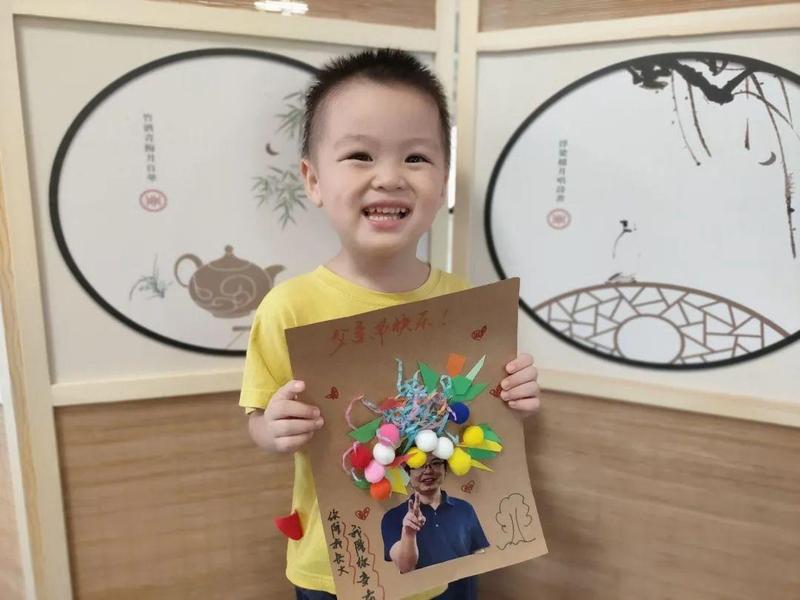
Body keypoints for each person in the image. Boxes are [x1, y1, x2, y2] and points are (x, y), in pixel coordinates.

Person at [240, 48, 541, 600]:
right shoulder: (289, 307)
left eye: (416, 158)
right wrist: (273, 429)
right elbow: (258, 420)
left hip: (448, 555)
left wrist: (516, 399)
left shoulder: (467, 306)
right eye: (359, 155)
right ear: (313, 180)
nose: (389, 178)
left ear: (443, 183)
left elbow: (485, 421)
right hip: (336, 564)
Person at [381, 455, 489, 599]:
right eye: (419, 465)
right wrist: (409, 533)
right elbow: (405, 567)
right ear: (408, 471)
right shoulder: (393, 517)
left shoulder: (465, 509)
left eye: (436, 463)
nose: (428, 471)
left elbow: (478, 555)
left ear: (445, 469)